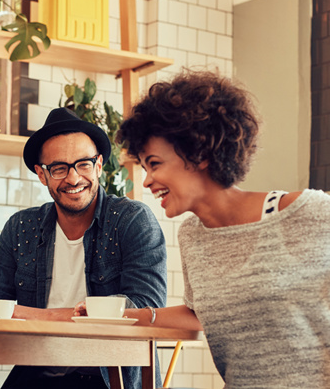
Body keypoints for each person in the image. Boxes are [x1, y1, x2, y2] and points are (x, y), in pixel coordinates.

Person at [113, 69, 330, 387]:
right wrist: (123, 315)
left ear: (199, 152)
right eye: (144, 167)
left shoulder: (306, 214)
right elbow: (198, 312)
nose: (146, 180)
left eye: (155, 164)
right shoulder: (192, 235)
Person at [0, 107, 167, 389]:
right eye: (59, 168)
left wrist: (23, 313)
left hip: (108, 376)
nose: (74, 179)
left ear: (99, 165)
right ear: (42, 174)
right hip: (36, 372)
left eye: (84, 164)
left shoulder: (132, 220)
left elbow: (146, 306)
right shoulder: (21, 227)